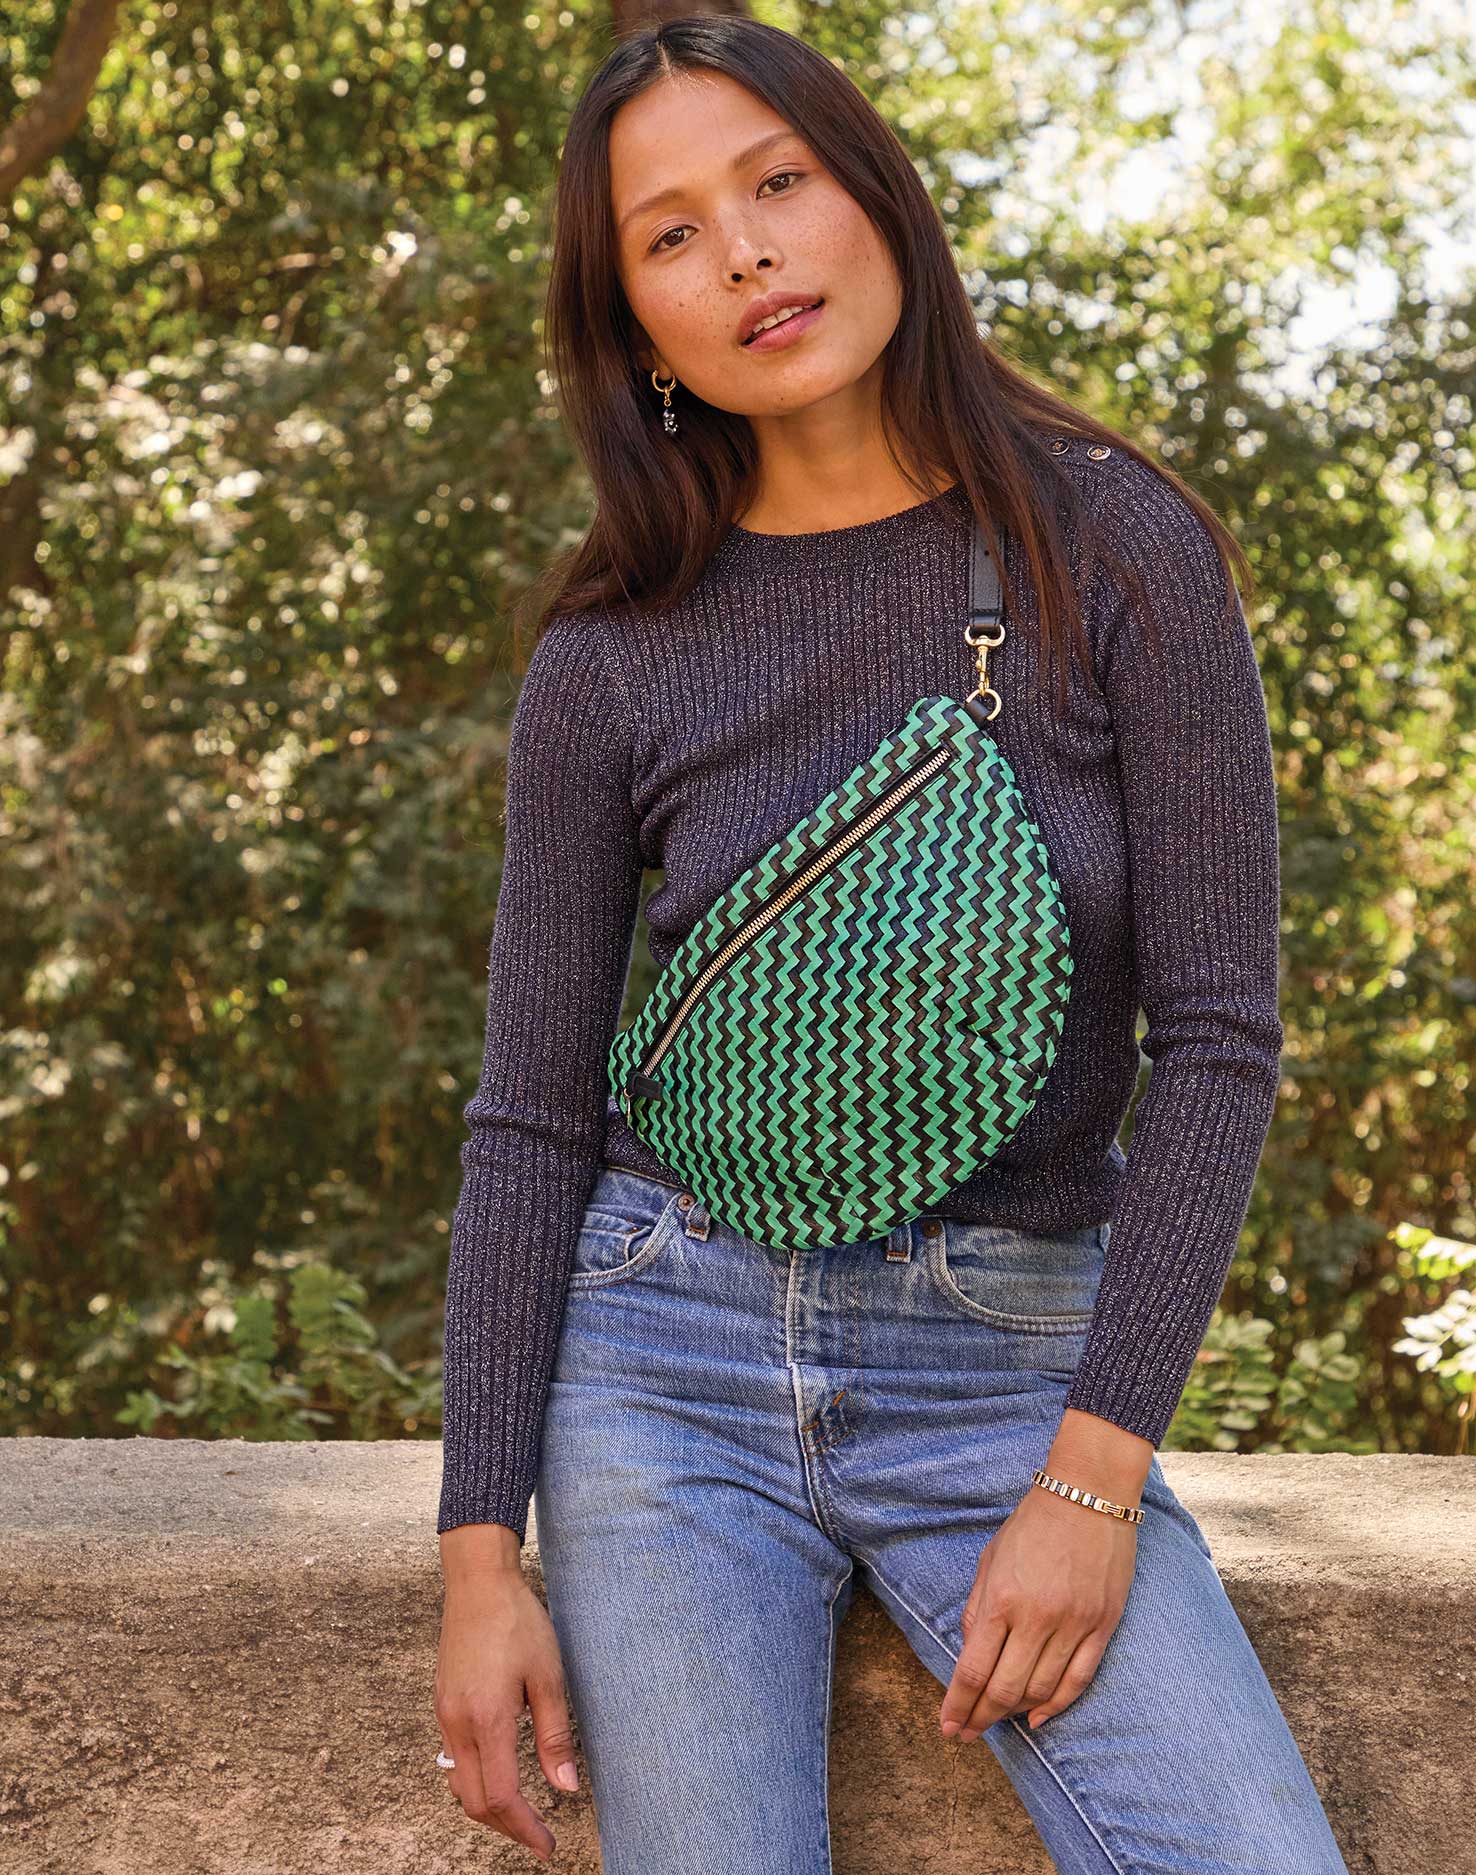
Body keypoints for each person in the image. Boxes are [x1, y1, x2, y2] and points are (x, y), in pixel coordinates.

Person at [432, 16, 1349, 1874]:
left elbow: (1219, 1040)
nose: (747, 253)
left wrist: (1095, 1476)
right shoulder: (612, 650)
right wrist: (478, 1556)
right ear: (634, 325)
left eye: (778, 181)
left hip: (1014, 1369)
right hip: (664, 1369)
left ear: (877, 196)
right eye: (671, 234)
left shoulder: (1119, 549)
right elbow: (529, 1121)